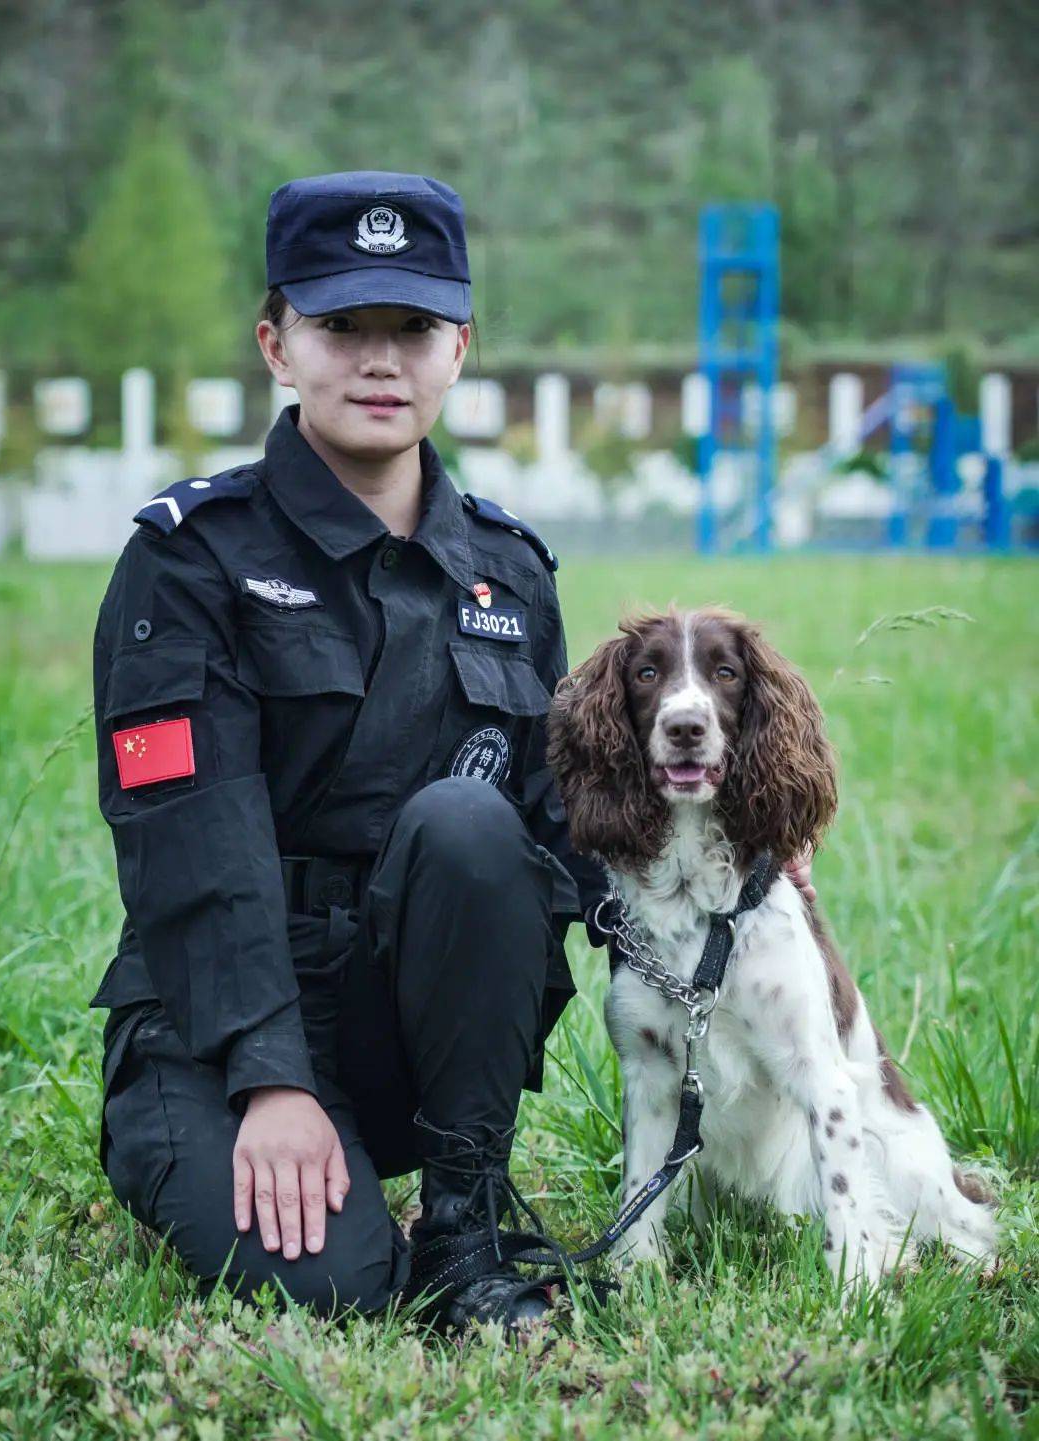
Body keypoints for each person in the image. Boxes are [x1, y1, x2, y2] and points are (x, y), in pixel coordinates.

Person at [90, 170, 817, 1336]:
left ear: (460, 347)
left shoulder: (511, 572)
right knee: (340, 1288)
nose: (381, 360)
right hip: (219, 1025)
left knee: (472, 827)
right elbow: (194, 848)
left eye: (414, 328)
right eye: (342, 326)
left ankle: (465, 1208)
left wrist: (747, 873)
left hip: (416, 1038)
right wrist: (270, 1078)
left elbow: (572, 824)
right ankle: (250, 1161)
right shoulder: (191, 562)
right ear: (277, 344)